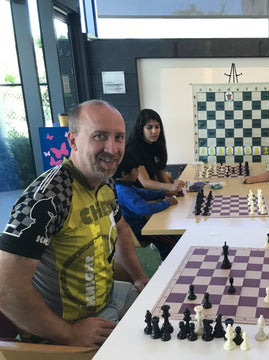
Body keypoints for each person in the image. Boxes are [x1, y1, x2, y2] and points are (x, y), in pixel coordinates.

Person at [0, 100, 149, 347]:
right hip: (67, 330)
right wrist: (69, 334)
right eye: (99, 136)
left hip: (107, 298)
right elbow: (5, 286)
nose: (112, 149)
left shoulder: (104, 181)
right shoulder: (48, 196)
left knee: (167, 315)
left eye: (119, 137)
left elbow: (120, 228)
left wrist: (140, 277)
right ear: (72, 140)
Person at [114, 151, 180, 260]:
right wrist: (167, 202)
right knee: (171, 239)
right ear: (124, 174)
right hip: (138, 230)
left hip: (142, 224)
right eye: (135, 170)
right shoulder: (124, 191)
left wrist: (164, 193)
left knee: (171, 234)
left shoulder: (125, 185)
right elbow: (144, 209)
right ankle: (168, 264)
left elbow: (144, 193)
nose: (137, 173)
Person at [125, 108, 185, 193]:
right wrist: (170, 187)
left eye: (157, 127)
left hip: (151, 191)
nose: (154, 131)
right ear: (141, 129)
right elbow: (145, 182)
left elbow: (160, 171)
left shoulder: (155, 144)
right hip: (138, 195)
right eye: (149, 127)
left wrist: (173, 190)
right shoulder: (133, 148)